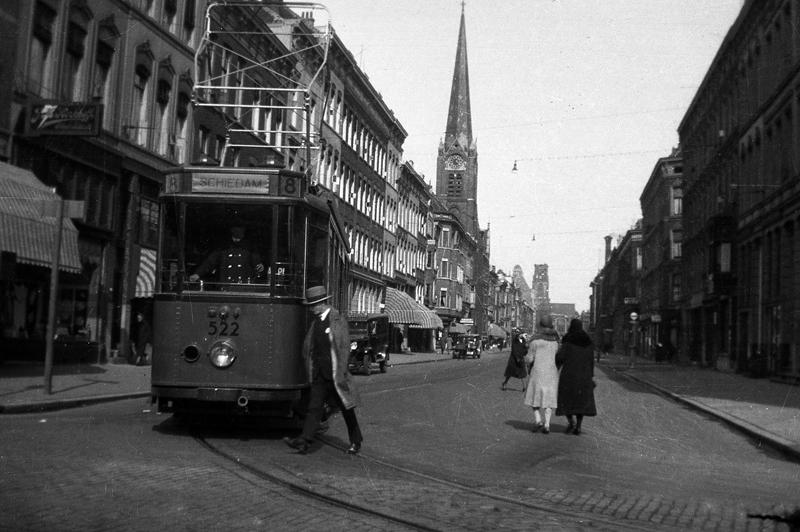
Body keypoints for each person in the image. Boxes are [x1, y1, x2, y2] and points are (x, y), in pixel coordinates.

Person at [284, 286, 363, 455]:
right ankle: (304, 441)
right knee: (315, 407)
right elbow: (310, 348)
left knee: (346, 409)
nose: (311, 309)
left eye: (313, 306)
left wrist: (341, 373)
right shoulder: (316, 323)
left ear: (321, 304)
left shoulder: (337, 320)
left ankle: (356, 440)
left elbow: (344, 348)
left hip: (335, 376)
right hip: (320, 374)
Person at [555, 319, 597, 435]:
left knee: (566, 400)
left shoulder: (568, 339)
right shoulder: (588, 341)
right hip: (584, 375)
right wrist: (591, 375)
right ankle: (578, 426)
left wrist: (556, 367)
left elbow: (560, 357)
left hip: (569, 375)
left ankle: (571, 422)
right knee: (580, 402)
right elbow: (591, 361)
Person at [523, 315, 560, 434]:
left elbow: (529, 359)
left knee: (535, 397)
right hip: (551, 373)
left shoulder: (535, 341)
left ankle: (538, 420)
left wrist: (526, 359)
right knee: (548, 399)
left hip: (538, 372)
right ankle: (547, 424)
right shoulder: (555, 342)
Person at [189, 226, 264, 284]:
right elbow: (210, 262)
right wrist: (198, 274)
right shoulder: (223, 248)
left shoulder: (249, 248)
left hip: (243, 284)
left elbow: (257, 263)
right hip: (226, 284)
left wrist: (260, 266)